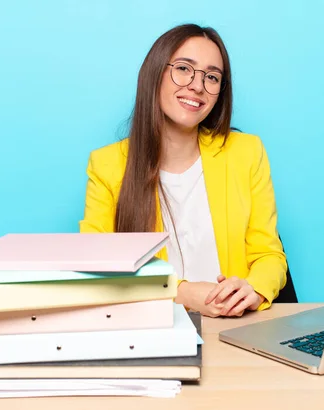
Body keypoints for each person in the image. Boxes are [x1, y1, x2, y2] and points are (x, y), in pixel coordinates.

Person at [79, 23, 287, 317]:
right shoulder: (108, 166)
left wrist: (254, 289)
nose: (197, 86)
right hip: (151, 330)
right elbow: (96, 271)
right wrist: (181, 292)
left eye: (212, 77)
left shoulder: (246, 152)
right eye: (184, 69)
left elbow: (269, 254)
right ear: (155, 74)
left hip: (234, 327)